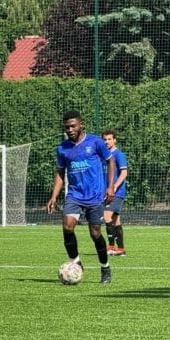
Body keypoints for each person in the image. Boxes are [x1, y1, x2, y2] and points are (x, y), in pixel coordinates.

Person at [46, 110, 114, 284]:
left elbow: (111, 161)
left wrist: (110, 186)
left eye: (73, 126)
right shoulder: (62, 148)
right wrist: (54, 196)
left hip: (95, 196)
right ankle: (76, 263)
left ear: (81, 124)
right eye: (67, 127)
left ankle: (105, 268)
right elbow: (60, 173)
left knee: (95, 233)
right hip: (74, 195)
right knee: (67, 227)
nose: (70, 130)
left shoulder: (95, 142)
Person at [102, 129, 128, 256]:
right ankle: (121, 249)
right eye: (105, 139)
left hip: (117, 192)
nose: (107, 142)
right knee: (116, 220)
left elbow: (124, 173)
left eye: (109, 139)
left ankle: (111, 246)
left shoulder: (119, 155)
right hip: (107, 192)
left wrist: (115, 187)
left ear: (114, 140)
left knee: (107, 216)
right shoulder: (104, 157)